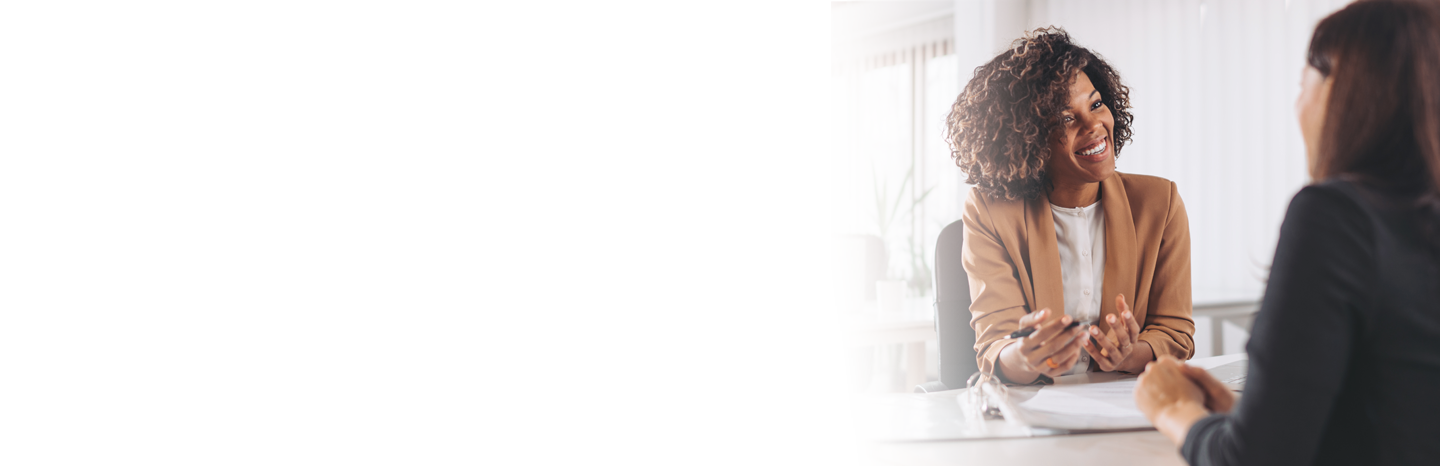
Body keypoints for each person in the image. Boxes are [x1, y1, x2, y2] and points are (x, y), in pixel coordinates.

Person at [1134, 1, 1440, 464]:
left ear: (1343, 91)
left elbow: (1253, 460)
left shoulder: (1335, 216)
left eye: (1303, 85)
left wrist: (1174, 408)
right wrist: (1250, 412)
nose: (1298, 104)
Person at [944, 27, 1195, 385]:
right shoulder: (990, 212)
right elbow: (996, 347)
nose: (1094, 126)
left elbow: (1175, 333)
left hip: (1126, 409)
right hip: (1032, 413)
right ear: (1027, 139)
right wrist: (1028, 356)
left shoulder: (1159, 203)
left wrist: (1129, 354)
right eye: (1065, 118)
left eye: (1095, 104)